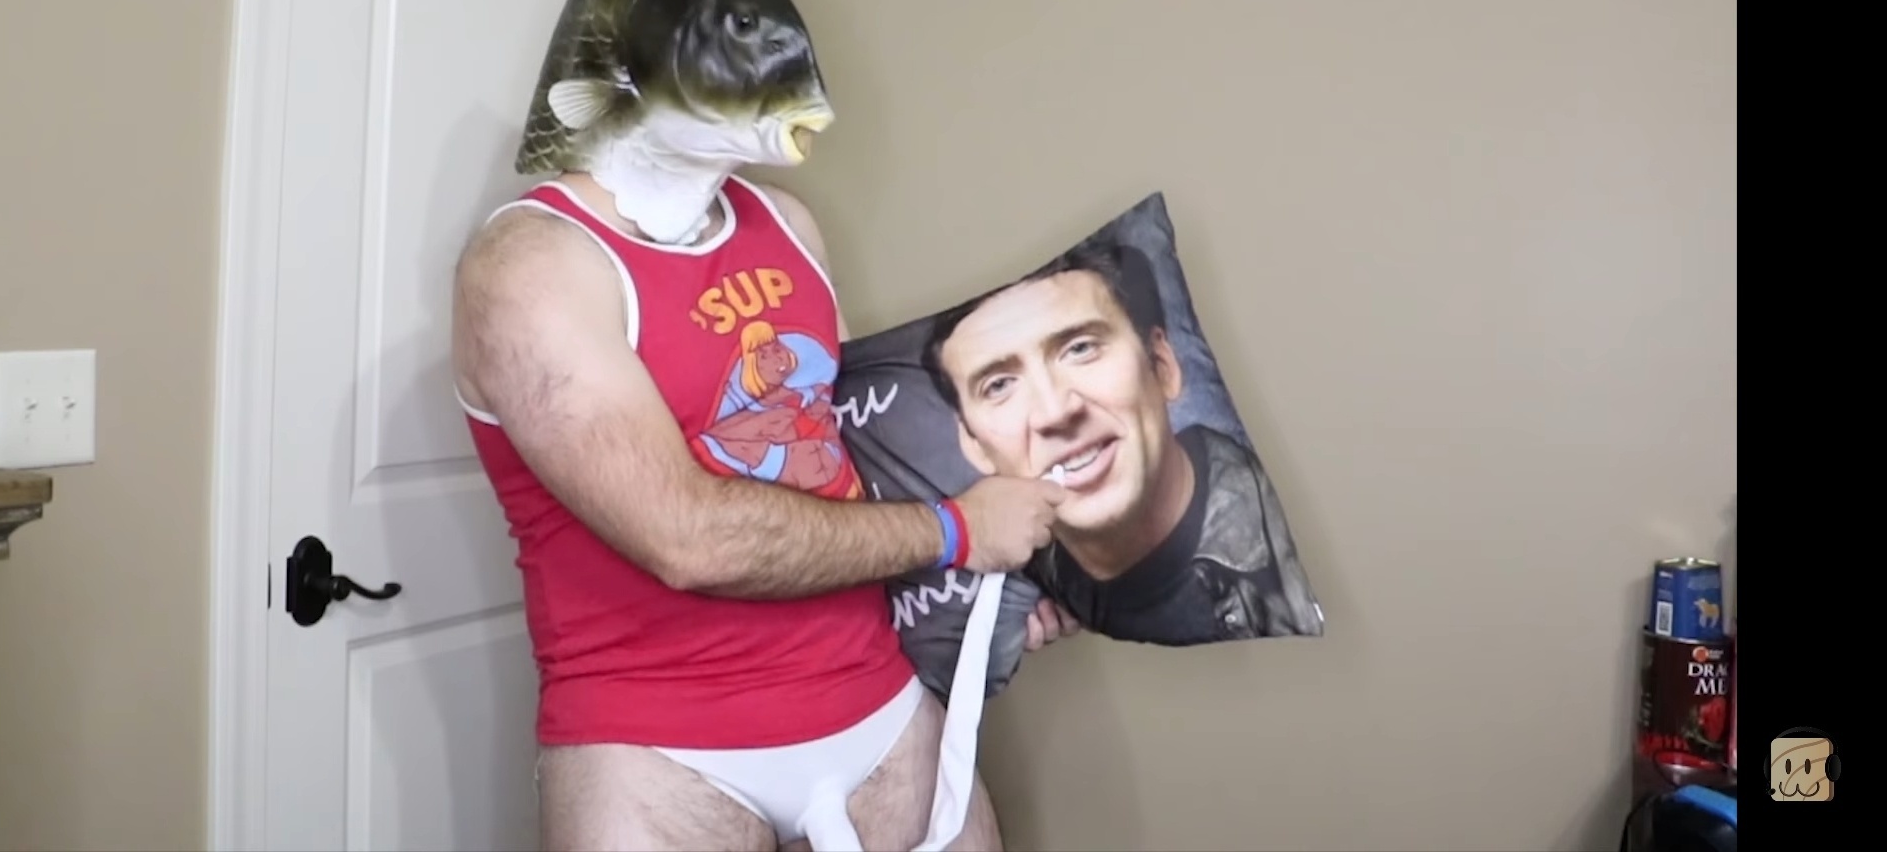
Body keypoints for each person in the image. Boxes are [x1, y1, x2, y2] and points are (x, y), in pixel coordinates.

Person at [452, 168, 1082, 851]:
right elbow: (689, 540)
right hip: (658, 754)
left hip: (881, 710)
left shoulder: (785, 219)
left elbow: (853, 466)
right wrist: (961, 531)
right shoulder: (527, 261)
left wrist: (996, 594)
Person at [919, 235, 1318, 645]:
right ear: (973, 444)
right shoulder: (1017, 578)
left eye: (1081, 348)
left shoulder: (1278, 574)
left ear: (1161, 366)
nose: (1054, 412)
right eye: (999, 385)